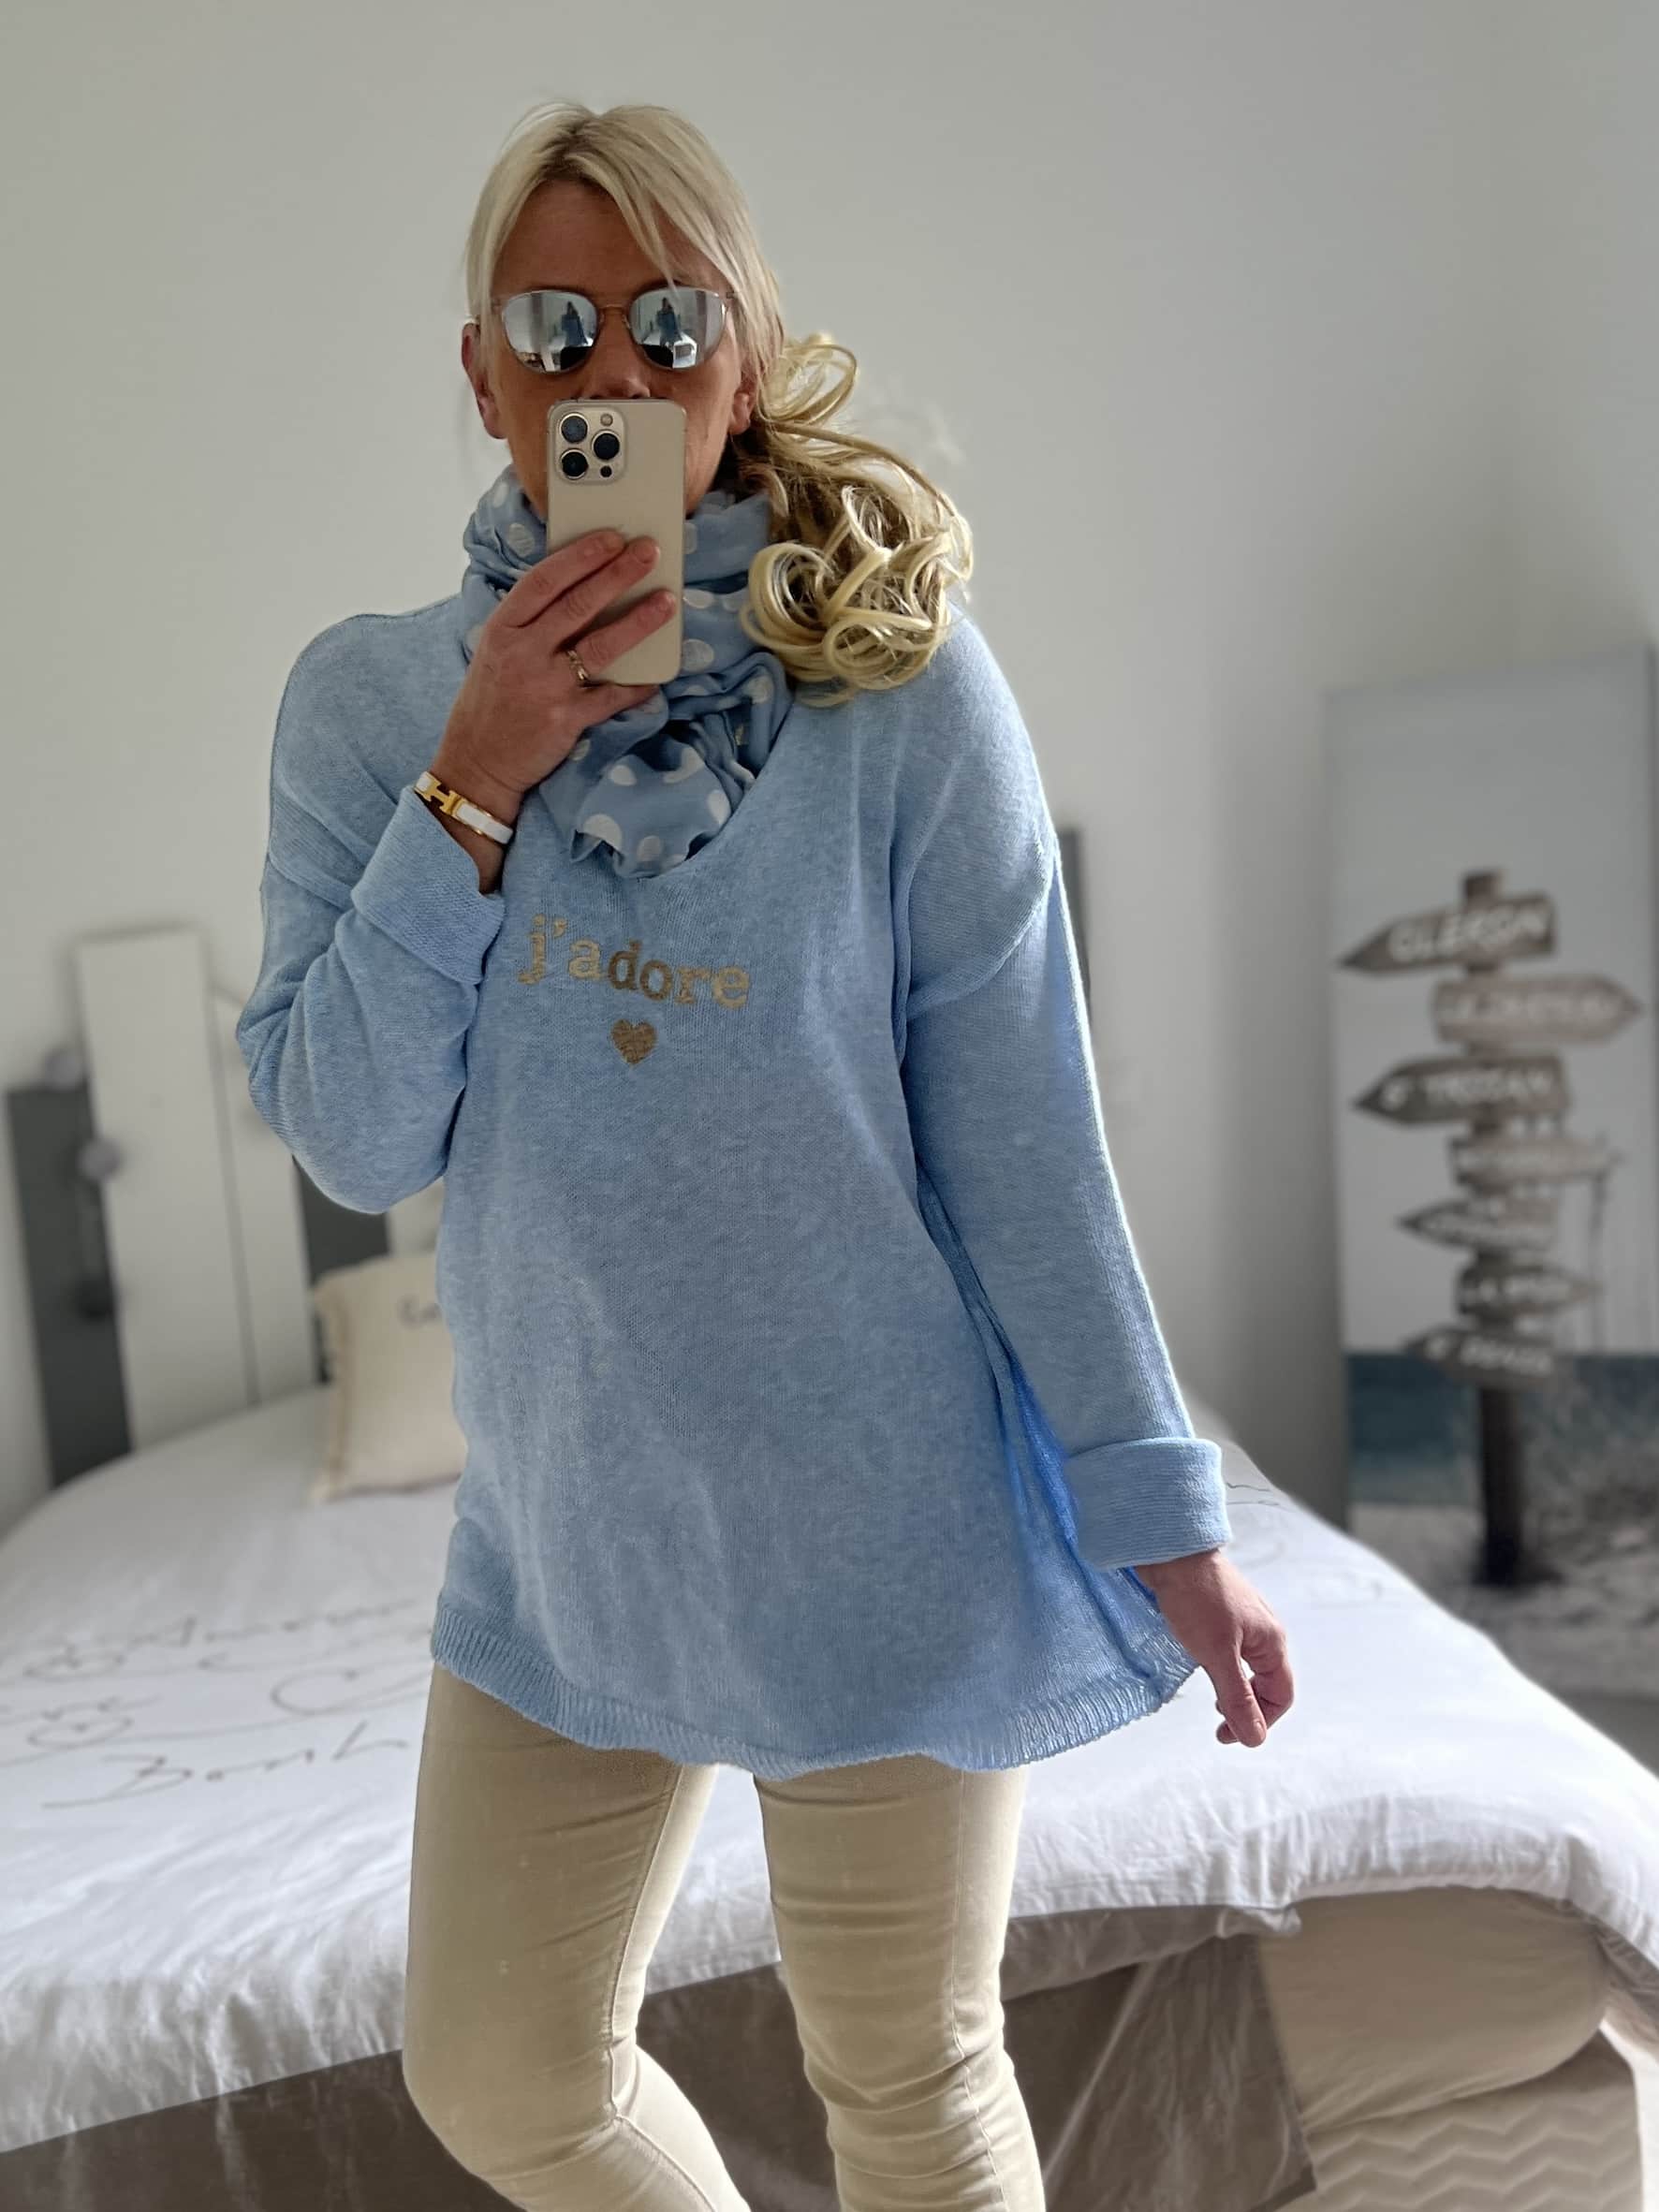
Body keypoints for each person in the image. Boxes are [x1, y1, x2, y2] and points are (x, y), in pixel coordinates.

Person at [236, 96, 1294, 2212]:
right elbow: (352, 1134)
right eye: (554, 329)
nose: (612, 376)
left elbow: (1024, 1142)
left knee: (906, 2076)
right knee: (502, 2073)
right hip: (570, 1533)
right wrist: (473, 782)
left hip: (886, 1517)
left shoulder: (903, 693)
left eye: (669, 324)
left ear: (745, 363)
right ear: (481, 377)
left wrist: (1157, 1507)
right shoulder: (369, 707)